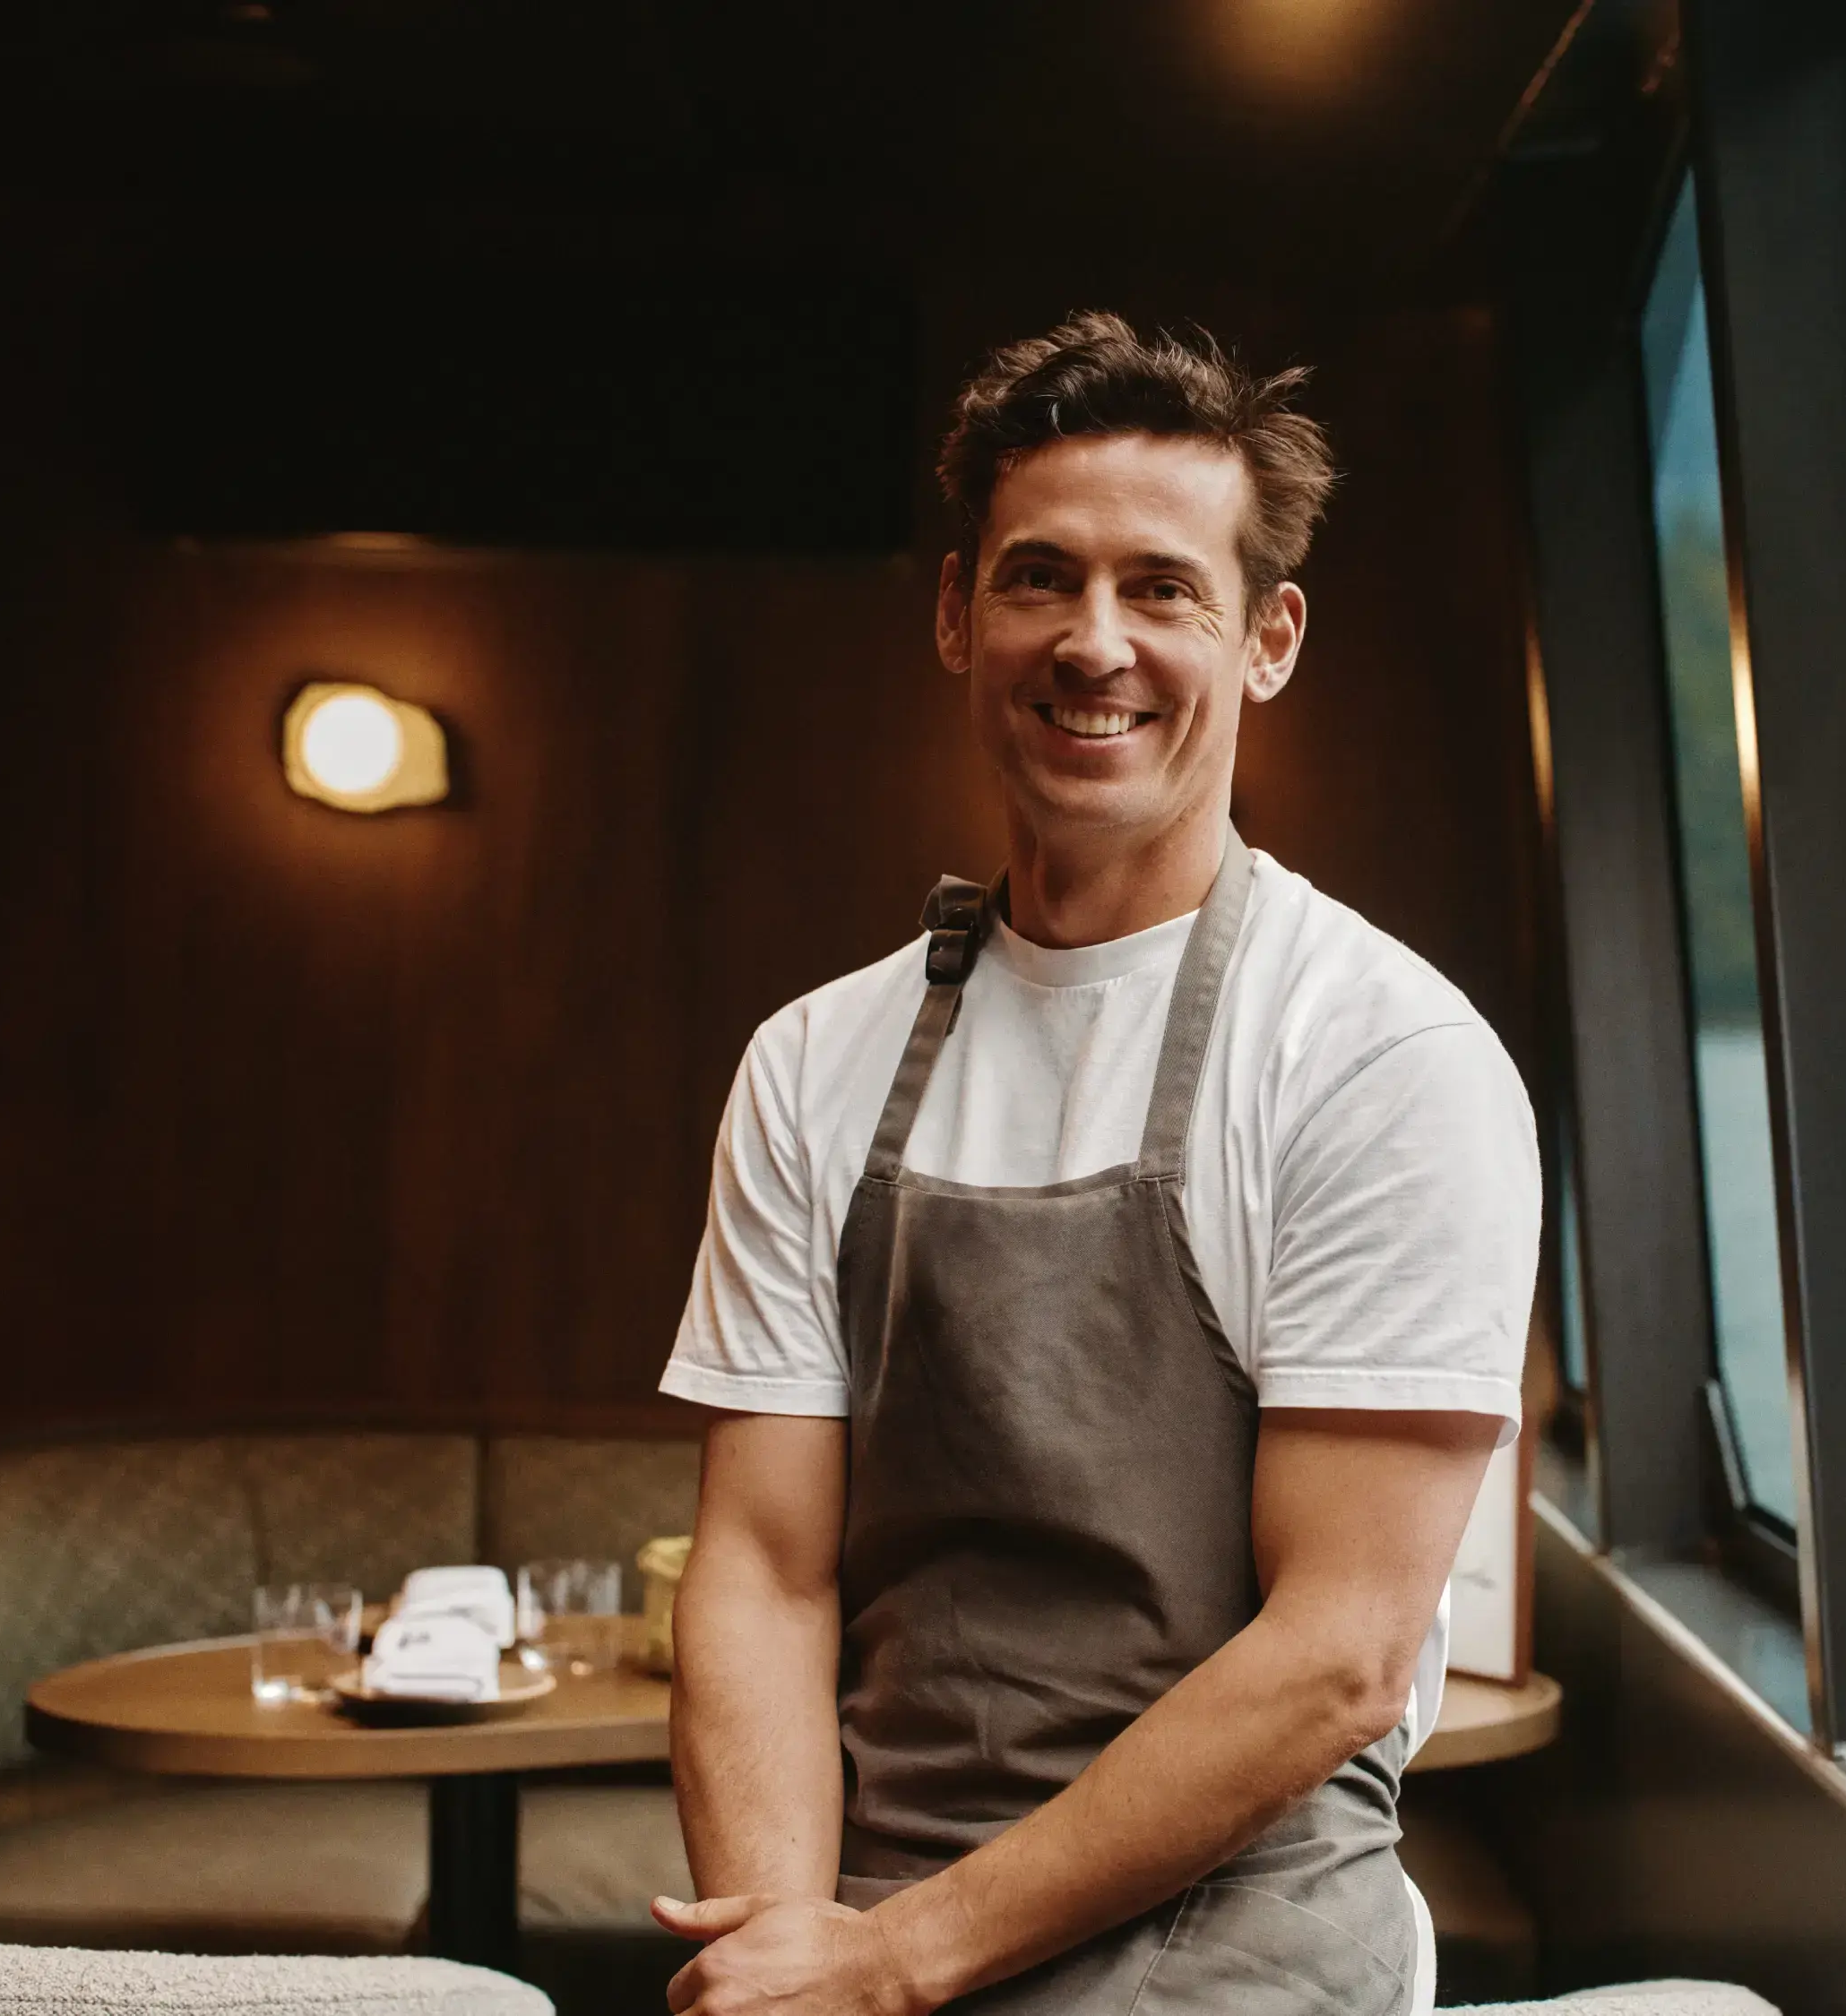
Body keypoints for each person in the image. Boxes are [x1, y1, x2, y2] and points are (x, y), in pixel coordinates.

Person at [651, 312, 1540, 2015]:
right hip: (867, 1915)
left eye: (1163, 589)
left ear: (1268, 638)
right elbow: (763, 1570)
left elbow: (1338, 1659)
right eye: (1040, 578)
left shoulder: (1380, 1056)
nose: (1094, 642)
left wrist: (901, 1964)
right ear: (955, 613)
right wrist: (795, 1959)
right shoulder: (811, 1063)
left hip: (1239, 1938)